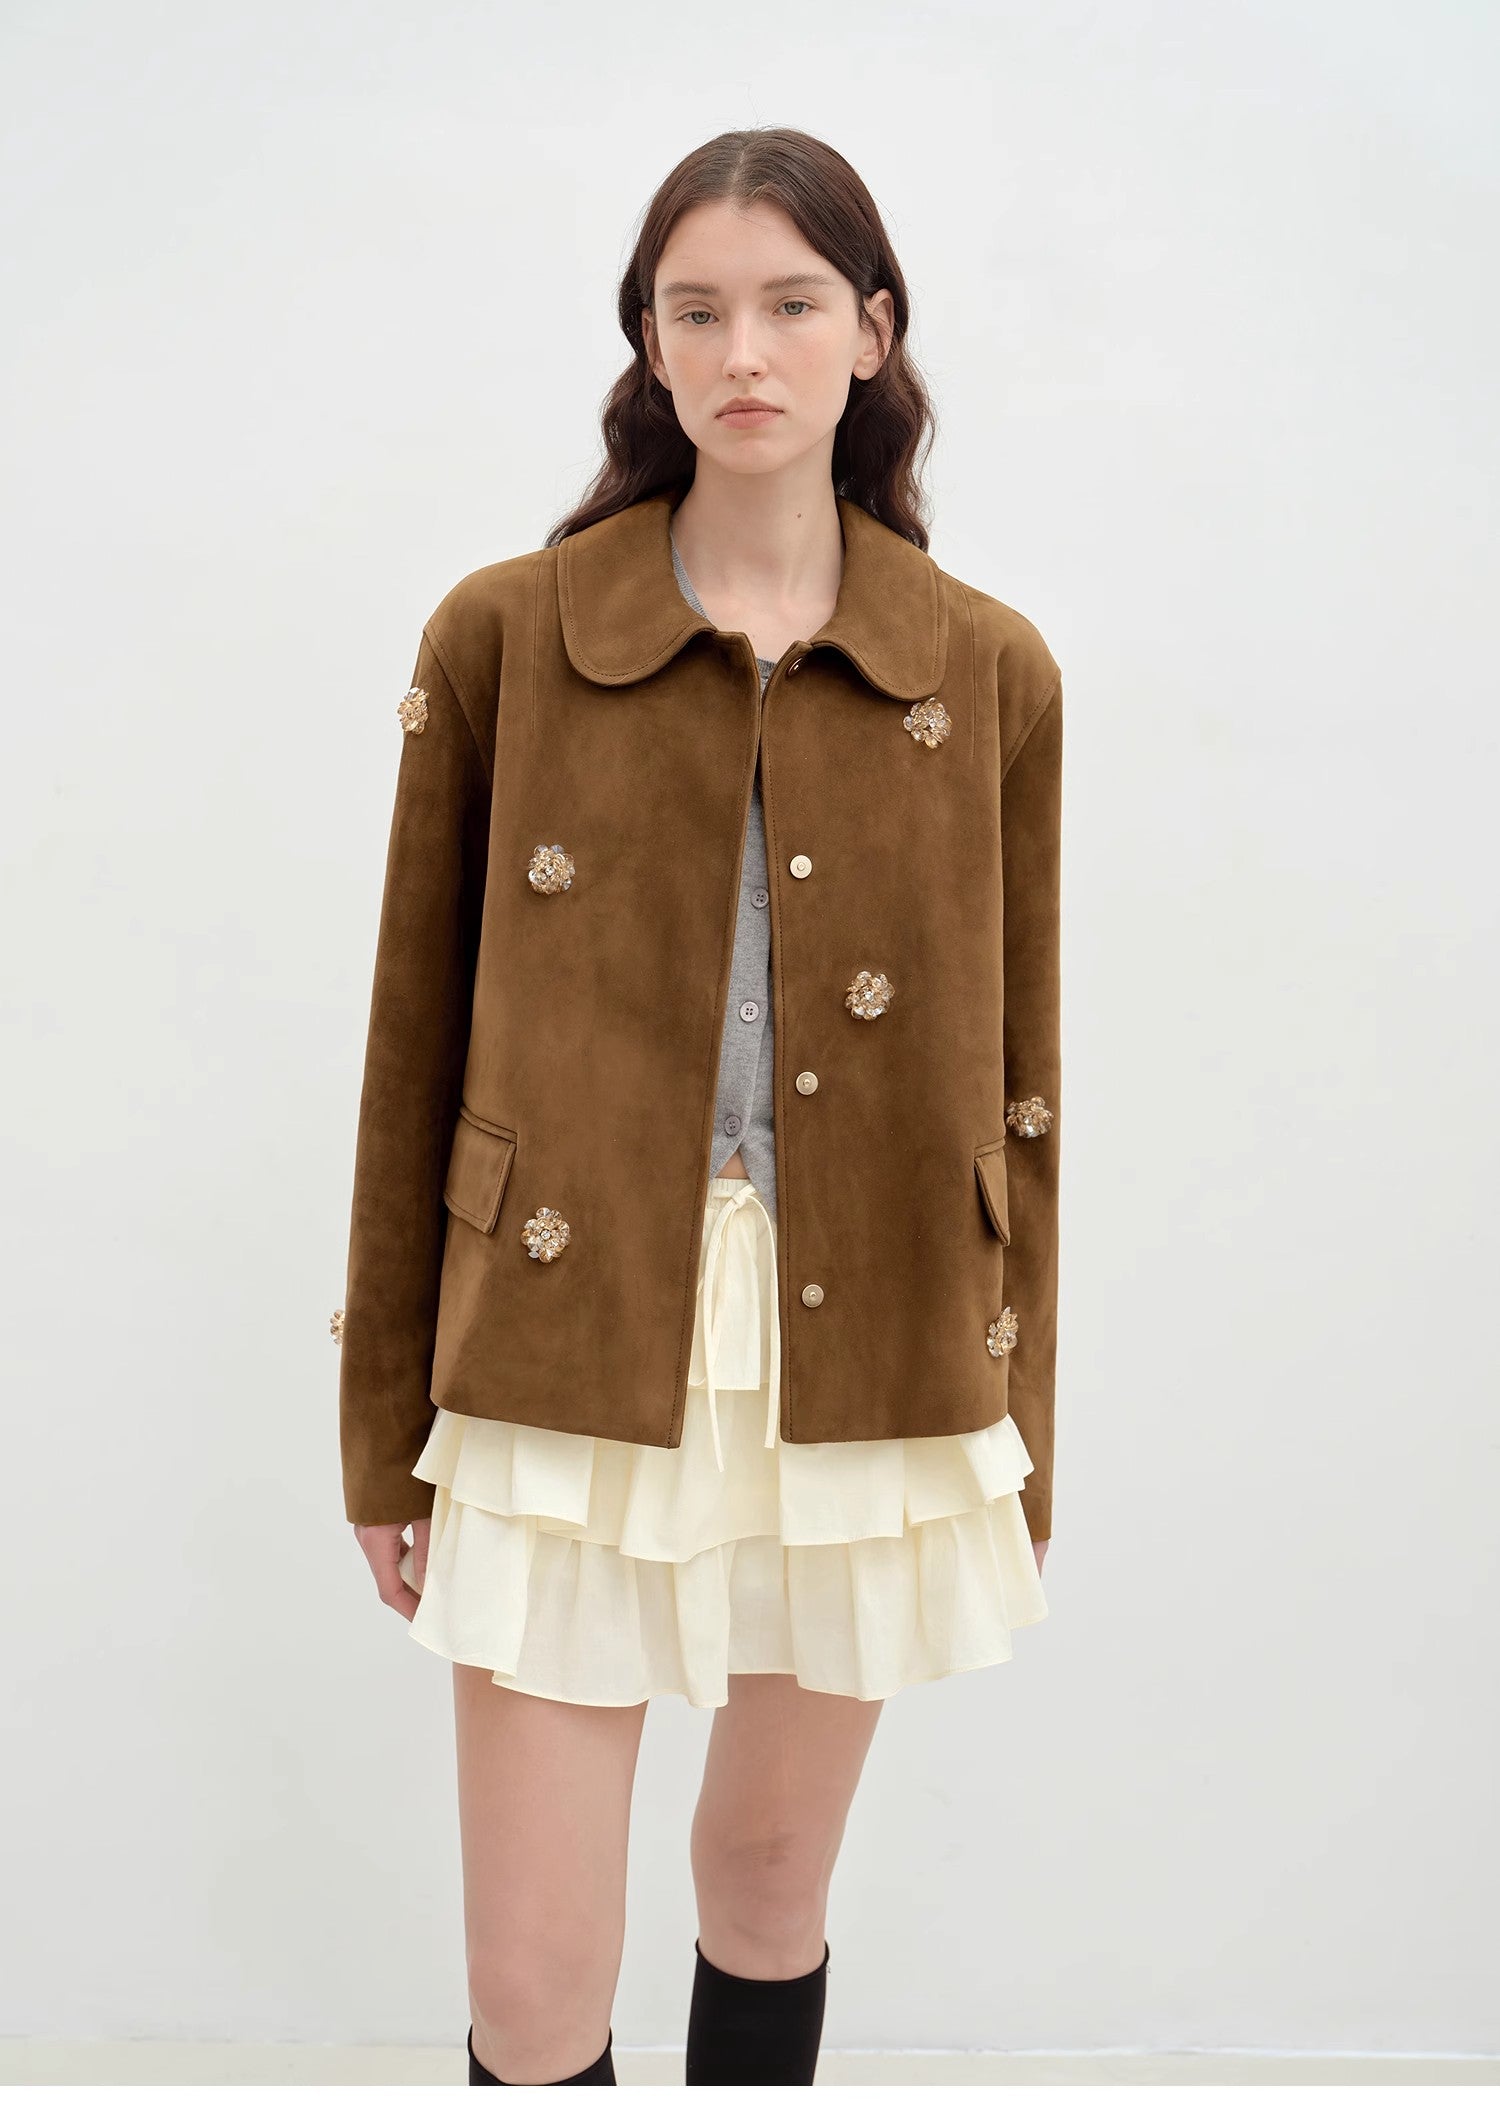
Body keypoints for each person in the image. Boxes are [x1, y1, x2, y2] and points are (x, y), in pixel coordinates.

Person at [334, 125, 1062, 2088]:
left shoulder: (988, 673)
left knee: (763, 1888)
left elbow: (1025, 1101)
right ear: (649, 345)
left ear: (873, 332)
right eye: (699, 309)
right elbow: (409, 1059)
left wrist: (1024, 1442)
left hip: (878, 1353)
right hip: (561, 1347)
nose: (746, 350)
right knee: (533, 1992)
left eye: (792, 304)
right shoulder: (506, 636)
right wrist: (380, 1431)